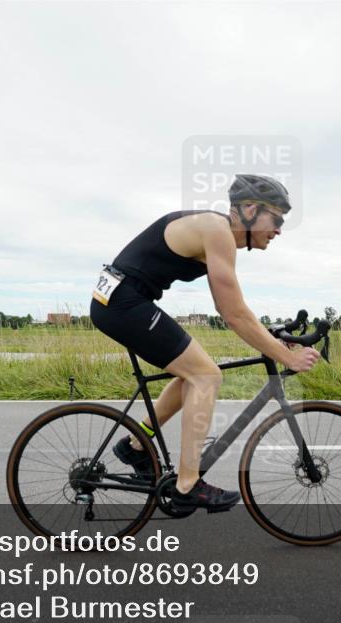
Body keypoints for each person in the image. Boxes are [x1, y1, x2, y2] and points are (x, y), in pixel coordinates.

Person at [89, 174, 320, 513]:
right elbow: (232, 313)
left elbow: (238, 309)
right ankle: (187, 485)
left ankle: (136, 444)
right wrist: (287, 358)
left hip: (122, 299)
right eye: (277, 219)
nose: (279, 230)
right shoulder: (217, 231)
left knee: (195, 372)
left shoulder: (217, 231)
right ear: (251, 210)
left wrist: (271, 337)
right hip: (123, 304)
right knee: (206, 376)